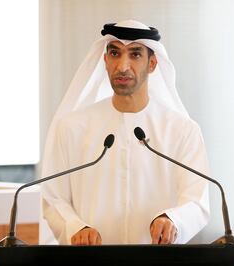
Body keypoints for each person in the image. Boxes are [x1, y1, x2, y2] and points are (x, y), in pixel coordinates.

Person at [41, 20, 210, 245]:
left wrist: (173, 220)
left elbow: (197, 199)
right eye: (114, 53)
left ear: (152, 64)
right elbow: (53, 198)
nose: (122, 66)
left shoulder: (182, 130)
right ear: (105, 60)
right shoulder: (71, 127)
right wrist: (76, 227)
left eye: (135, 54)